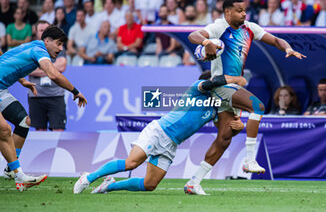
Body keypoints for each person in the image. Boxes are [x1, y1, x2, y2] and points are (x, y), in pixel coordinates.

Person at [187, 0, 306, 182]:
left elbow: (275, 40)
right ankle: (249, 159)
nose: (244, 14)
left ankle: (194, 182)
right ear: (228, 13)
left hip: (232, 86)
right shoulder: (219, 27)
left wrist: (288, 48)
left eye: (245, 10)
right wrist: (207, 42)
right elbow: (193, 35)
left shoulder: (249, 28)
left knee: (224, 138)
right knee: (257, 106)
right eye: (240, 11)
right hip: (221, 86)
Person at [73, 72, 246, 195]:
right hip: (158, 132)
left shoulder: (216, 108)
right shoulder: (197, 89)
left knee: (150, 185)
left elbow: (223, 134)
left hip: (171, 144)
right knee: (132, 162)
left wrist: (237, 128)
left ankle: (110, 186)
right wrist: (234, 79)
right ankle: (88, 177)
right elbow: (210, 83)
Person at [0, 25, 87, 191]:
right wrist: (75, 92)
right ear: (47, 41)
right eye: (59, 44)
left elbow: (8, 60)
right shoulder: (39, 50)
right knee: (4, 130)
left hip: (1, 90)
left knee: (24, 121)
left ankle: (11, 168)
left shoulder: (32, 46)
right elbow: (53, 74)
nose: (61, 49)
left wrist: (22, 79)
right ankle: (20, 175)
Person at [27, 20, 67, 131]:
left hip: (56, 96)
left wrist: (39, 67)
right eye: (41, 30)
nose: (44, 33)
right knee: (40, 132)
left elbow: (62, 66)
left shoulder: (57, 46)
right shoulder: (31, 48)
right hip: (36, 96)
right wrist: (51, 69)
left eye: (47, 30)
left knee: (58, 130)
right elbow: (27, 69)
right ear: (36, 32)